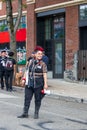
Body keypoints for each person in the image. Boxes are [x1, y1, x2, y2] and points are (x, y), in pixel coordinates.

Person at [18, 46, 48, 119]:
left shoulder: (43, 64)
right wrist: (24, 79)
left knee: (38, 99)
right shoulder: (30, 62)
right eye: (38, 54)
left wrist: (46, 84)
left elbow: (45, 74)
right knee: (27, 98)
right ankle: (25, 113)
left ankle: (36, 113)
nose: (40, 55)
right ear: (35, 54)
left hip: (38, 84)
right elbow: (27, 71)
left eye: (41, 54)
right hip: (29, 83)